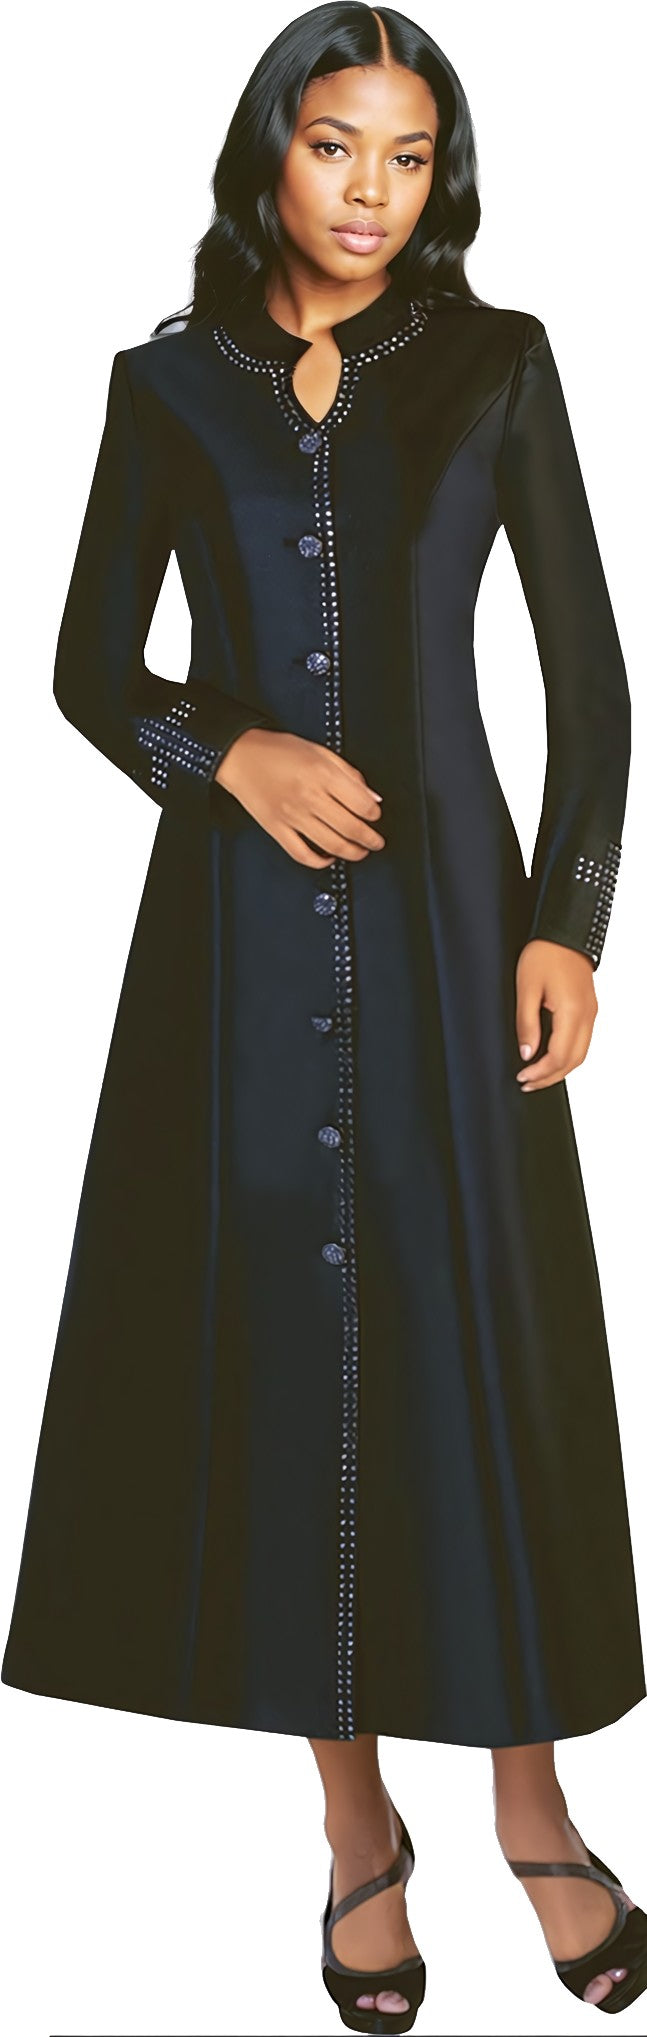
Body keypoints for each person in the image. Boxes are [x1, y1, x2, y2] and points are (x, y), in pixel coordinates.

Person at [2, 5, 646, 2030]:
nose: (371, 191)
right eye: (335, 145)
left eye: (409, 153)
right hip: (238, 951)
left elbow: (594, 681)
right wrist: (230, 751)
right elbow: (91, 665)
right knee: (288, 1359)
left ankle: (534, 1805)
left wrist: (567, 923)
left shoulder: (494, 360)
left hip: (457, 932)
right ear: (267, 151)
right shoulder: (166, 384)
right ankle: (358, 1832)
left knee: (480, 1349)